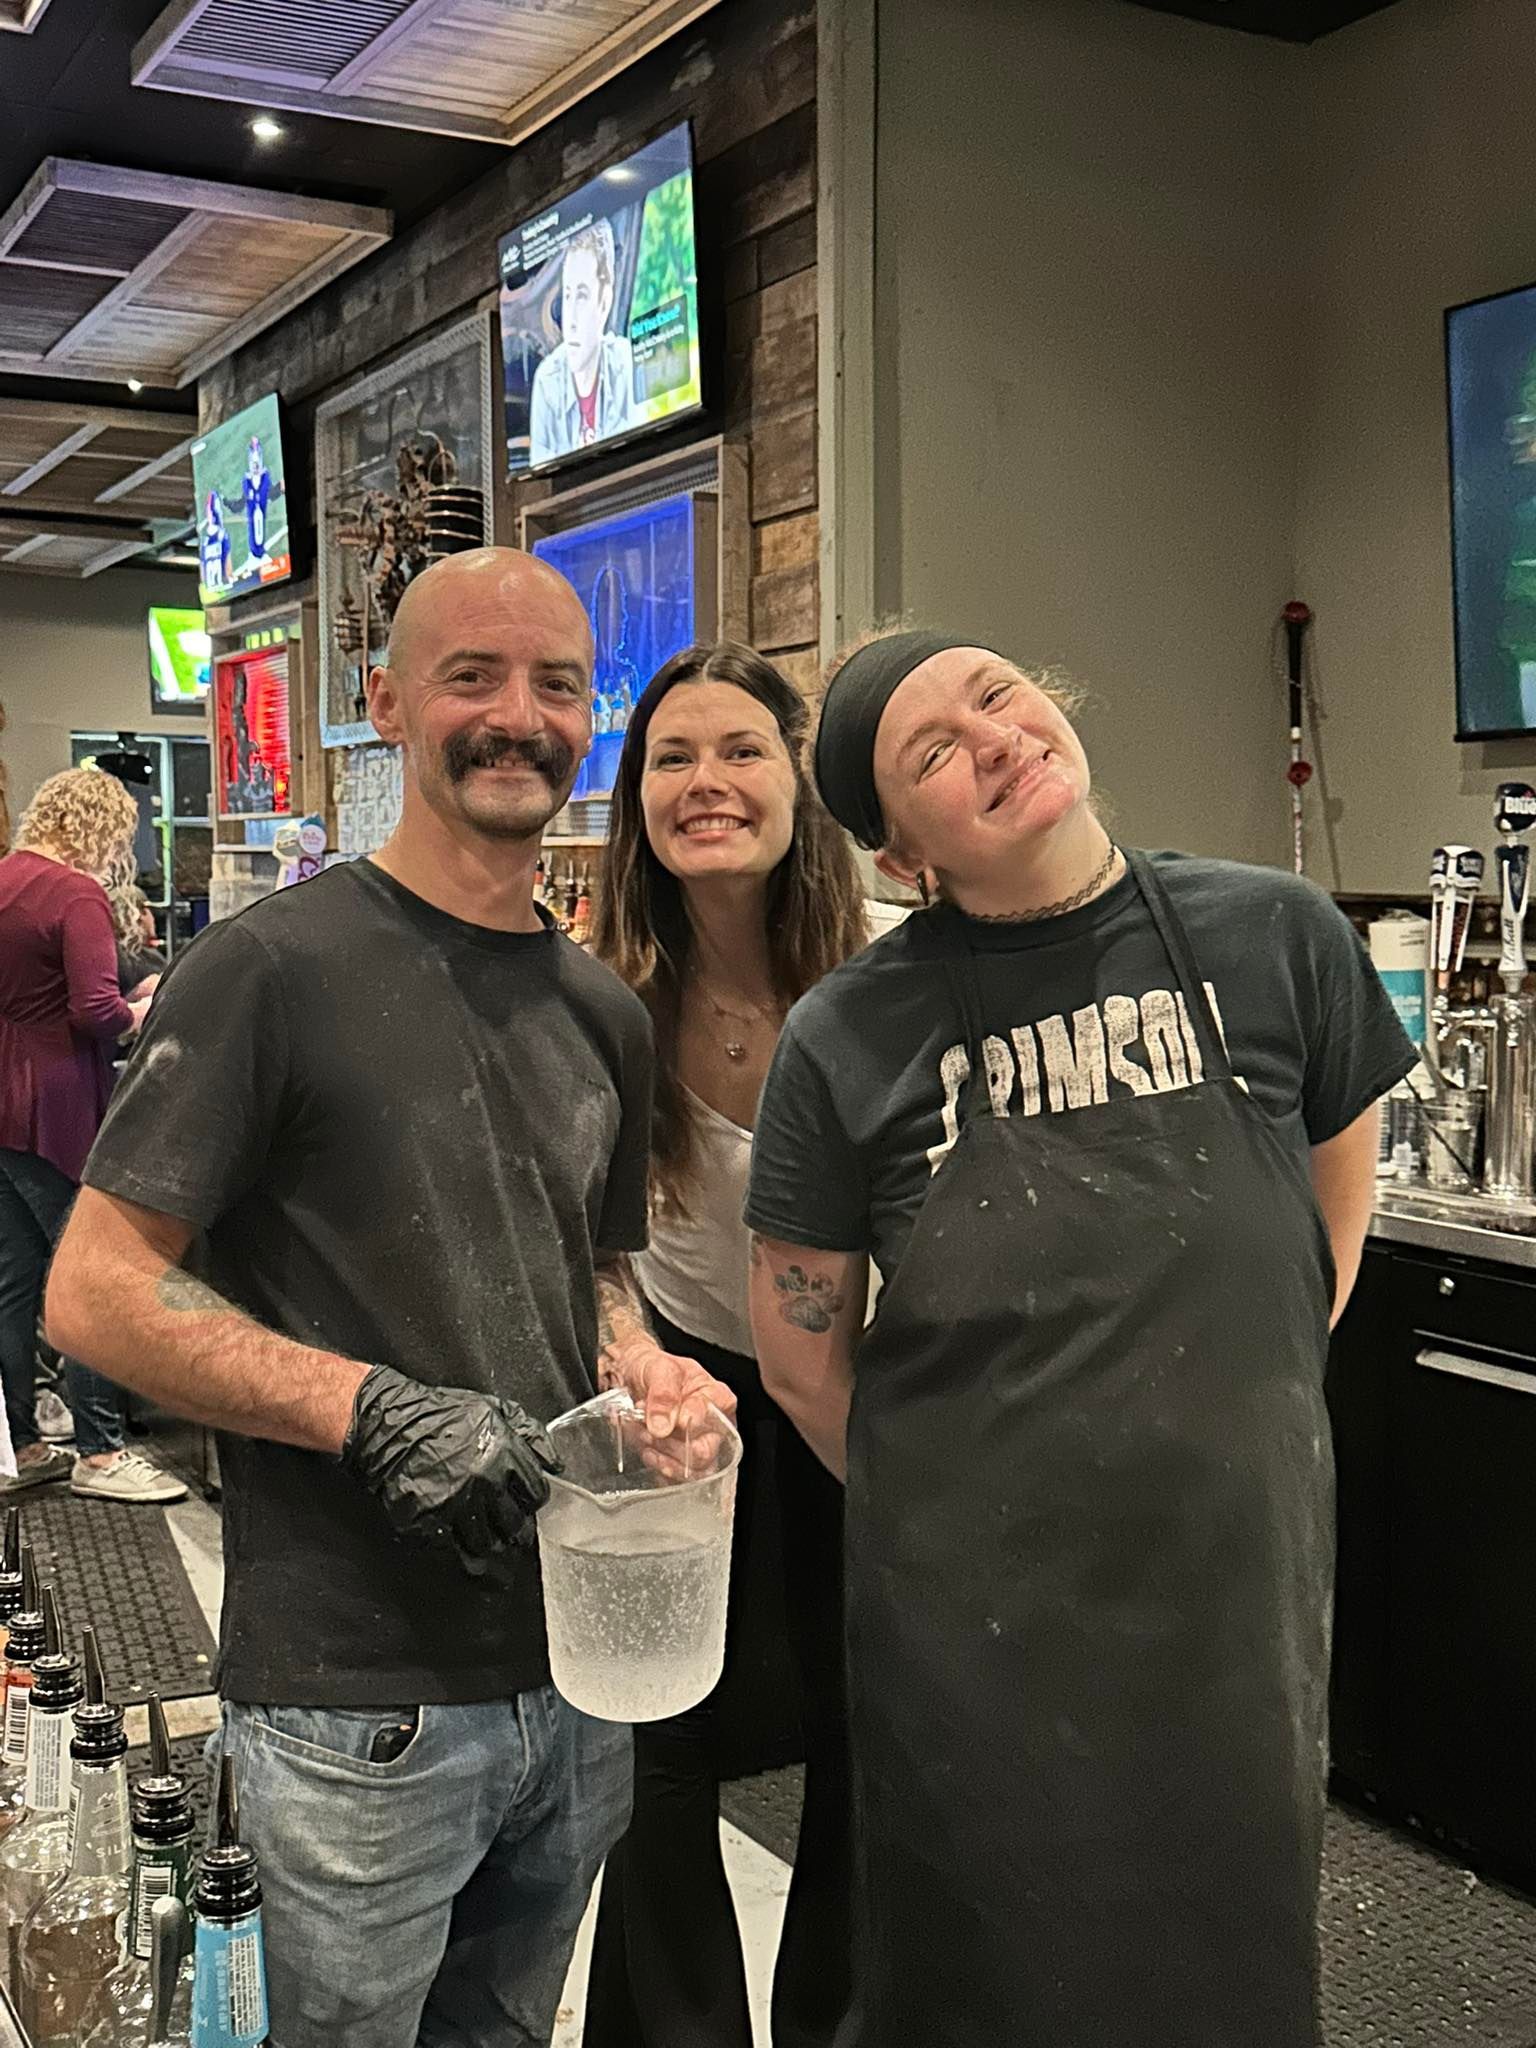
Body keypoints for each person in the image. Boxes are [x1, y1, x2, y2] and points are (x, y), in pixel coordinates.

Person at [46, 548, 733, 2048]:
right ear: (383, 705)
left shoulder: (601, 1012)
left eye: (557, 683)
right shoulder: (272, 968)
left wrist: (646, 1368)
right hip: (355, 1698)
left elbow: (595, 1272)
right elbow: (94, 1293)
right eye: (471, 676)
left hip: (572, 1670)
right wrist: (372, 1410)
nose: (518, 714)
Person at [744, 628, 1418, 2047]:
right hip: (971, 1642)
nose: (991, 737)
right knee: (987, 1985)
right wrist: (960, 1520)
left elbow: (1322, 1228)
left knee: (1229, 1972)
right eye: (932, 750)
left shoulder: (1277, 933)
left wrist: (1230, 1420)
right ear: (898, 859)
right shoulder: (846, 1036)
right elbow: (801, 1350)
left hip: (1233, 1604)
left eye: (995, 695)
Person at [585, 643, 867, 2048]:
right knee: (657, 1751)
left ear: (798, 779)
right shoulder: (596, 995)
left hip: (864, 1395)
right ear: (635, 797)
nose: (709, 783)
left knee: (866, 1734)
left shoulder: (879, 967)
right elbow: (586, 1247)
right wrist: (636, 1358)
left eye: (742, 751)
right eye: (673, 757)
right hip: (681, 1383)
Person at [0, 768, 186, 1503]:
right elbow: (95, 1011)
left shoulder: (5, 878)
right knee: (90, 1274)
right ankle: (102, 1453)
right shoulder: (73, 894)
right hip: (59, 1107)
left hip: (2, 1100)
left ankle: (24, 1441)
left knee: (15, 1281)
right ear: (101, 828)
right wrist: (152, 1004)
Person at [529, 220, 636, 466]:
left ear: (604, 302)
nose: (572, 320)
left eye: (582, 296)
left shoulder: (624, 362)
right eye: (567, 295)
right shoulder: (546, 380)